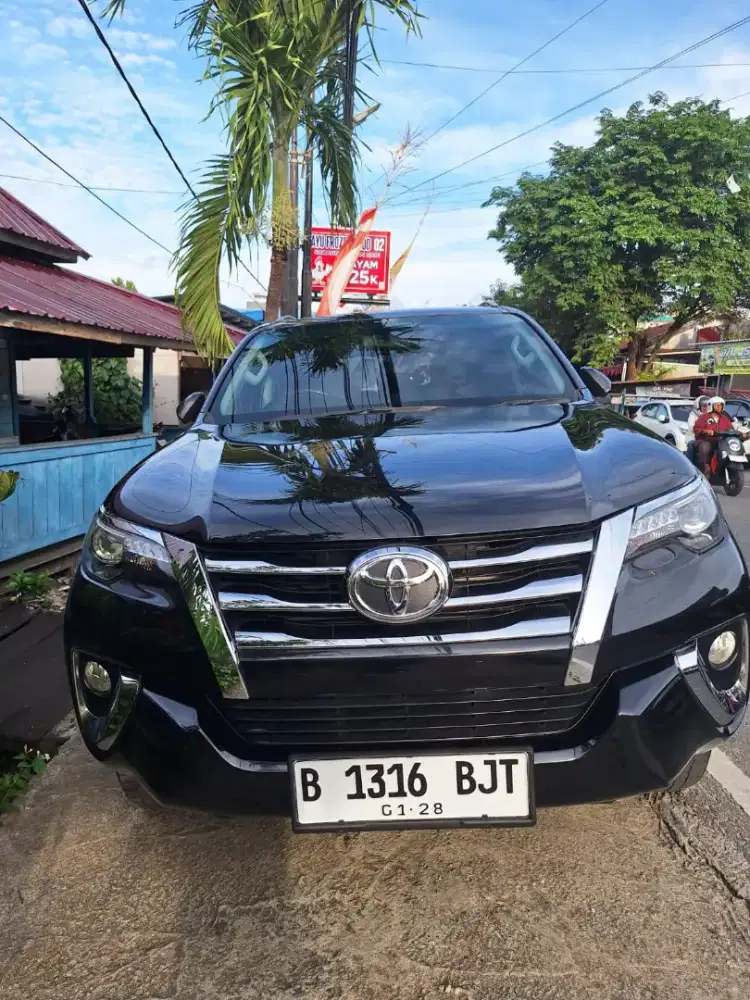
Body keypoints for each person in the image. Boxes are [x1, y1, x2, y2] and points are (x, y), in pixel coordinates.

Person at [693, 396, 734, 475]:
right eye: (716, 405)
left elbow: (731, 429)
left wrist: (740, 433)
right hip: (706, 440)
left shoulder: (725, 419)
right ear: (711, 406)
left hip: (721, 441)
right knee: (705, 447)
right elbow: (696, 429)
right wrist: (705, 431)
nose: (719, 407)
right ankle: (705, 466)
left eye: (720, 405)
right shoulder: (704, 417)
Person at [685, 396, 710, 464]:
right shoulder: (693, 414)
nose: (706, 408)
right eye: (704, 406)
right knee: (691, 445)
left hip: (709, 438)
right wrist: (702, 430)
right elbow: (691, 427)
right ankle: (688, 464)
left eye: (708, 405)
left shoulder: (711, 415)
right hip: (694, 437)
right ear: (699, 406)